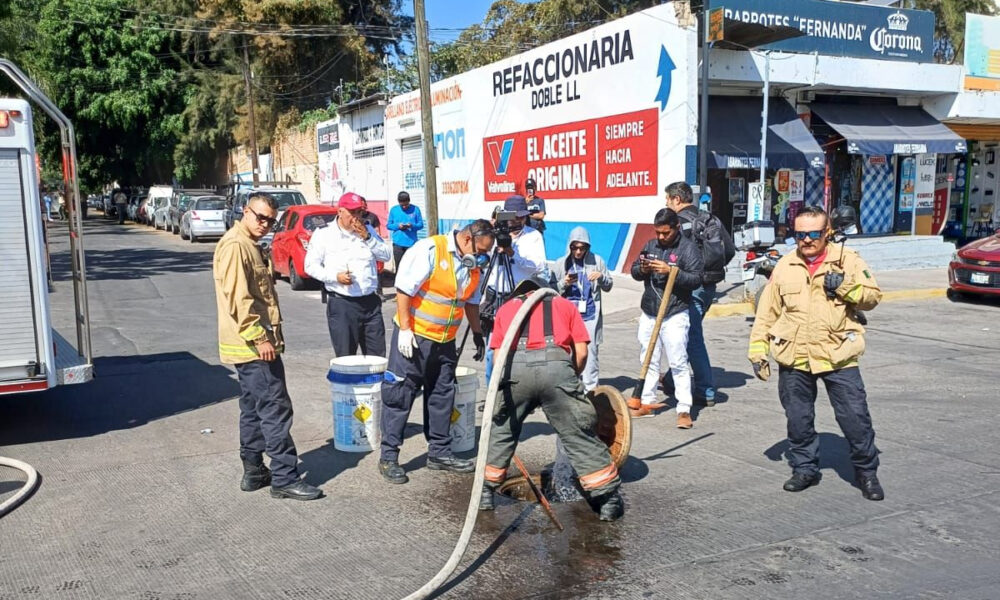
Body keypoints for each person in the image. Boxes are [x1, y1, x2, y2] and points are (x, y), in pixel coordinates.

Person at [748, 206, 884, 501]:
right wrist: (758, 350)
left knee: (855, 418)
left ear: (827, 233)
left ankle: (866, 473)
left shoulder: (847, 260)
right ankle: (805, 469)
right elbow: (767, 312)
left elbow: (873, 296)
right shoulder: (785, 265)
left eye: (813, 234)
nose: (806, 240)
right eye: (800, 234)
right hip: (794, 354)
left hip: (838, 353)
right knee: (798, 418)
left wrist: (846, 287)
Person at [479, 277, 623, 521]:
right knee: (578, 431)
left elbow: (495, 355)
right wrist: (569, 378)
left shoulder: (507, 309)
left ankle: (484, 493)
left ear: (521, 293)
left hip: (516, 373)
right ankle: (607, 500)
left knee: (502, 430)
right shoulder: (564, 305)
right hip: (557, 371)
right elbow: (582, 351)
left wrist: (503, 388)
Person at [212, 192, 322, 501]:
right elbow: (240, 299)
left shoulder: (248, 244)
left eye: (270, 221)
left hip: (248, 345)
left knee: (252, 407)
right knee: (275, 407)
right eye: (259, 217)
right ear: (245, 212)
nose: (264, 224)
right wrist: (260, 338)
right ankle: (284, 477)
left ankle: (254, 470)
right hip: (253, 345)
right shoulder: (236, 246)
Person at [378, 220, 495, 484]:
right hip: (415, 337)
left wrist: (477, 334)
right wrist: (405, 329)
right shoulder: (430, 250)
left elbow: (471, 303)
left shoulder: (472, 265)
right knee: (400, 393)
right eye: (479, 252)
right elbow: (404, 290)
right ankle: (389, 457)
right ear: (467, 240)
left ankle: (439, 453)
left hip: (445, 341)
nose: (480, 258)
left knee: (442, 393)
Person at [663, 181, 736, 406]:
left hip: (689, 286)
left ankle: (705, 390)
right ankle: (670, 380)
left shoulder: (678, 223)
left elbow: (673, 257)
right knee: (685, 332)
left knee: (692, 336)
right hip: (710, 286)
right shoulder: (710, 219)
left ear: (676, 199)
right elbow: (730, 250)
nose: (666, 203)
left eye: (667, 199)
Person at [629, 208, 704, 427]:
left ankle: (683, 409)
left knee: (678, 361)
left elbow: (696, 279)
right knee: (648, 358)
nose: (661, 237)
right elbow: (635, 270)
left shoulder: (688, 250)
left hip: (674, 312)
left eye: (665, 233)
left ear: (676, 228)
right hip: (650, 310)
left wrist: (672, 272)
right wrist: (643, 269)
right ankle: (647, 401)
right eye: (658, 233)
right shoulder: (650, 246)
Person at [305, 192, 391, 358]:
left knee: (377, 358)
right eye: (352, 213)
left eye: (359, 212)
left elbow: (385, 255)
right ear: (340, 212)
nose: (356, 218)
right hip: (342, 303)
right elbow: (310, 266)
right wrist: (335, 277)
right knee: (346, 358)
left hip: (370, 303)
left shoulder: (368, 230)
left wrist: (367, 237)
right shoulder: (324, 234)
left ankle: (376, 384)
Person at [482, 195, 547, 381]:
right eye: (513, 216)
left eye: (521, 216)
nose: (517, 220)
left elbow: (538, 266)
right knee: (492, 348)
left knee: (519, 345)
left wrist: (512, 253)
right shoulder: (494, 235)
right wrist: (490, 231)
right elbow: (483, 260)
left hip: (518, 294)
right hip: (495, 296)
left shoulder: (533, 236)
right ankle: (491, 395)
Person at [550, 226, 613, 392]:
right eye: (574, 247)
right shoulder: (560, 263)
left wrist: (601, 277)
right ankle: (568, 386)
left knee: (590, 353)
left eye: (582, 248)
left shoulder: (597, 261)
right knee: (564, 351)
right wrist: (564, 282)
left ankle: (591, 390)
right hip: (567, 316)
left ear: (588, 247)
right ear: (569, 246)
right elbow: (551, 290)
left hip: (589, 315)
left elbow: (609, 286)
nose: (578, 252)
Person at [387, 191, 424, 270]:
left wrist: (412, 225)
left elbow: (421, 225)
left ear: (409, 201)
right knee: (399, 267)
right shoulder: (394, 210)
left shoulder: (415, 209)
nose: (404, 207)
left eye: (406, 205)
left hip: (411, 244)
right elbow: (389, 225)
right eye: (402, 205)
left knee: (412, 267)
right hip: (398, 244)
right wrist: (398, 226)